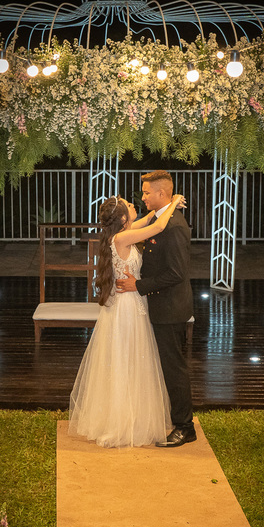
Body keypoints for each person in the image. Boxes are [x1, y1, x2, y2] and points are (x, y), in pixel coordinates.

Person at [67, 191, 184, 448]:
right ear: (122, 218)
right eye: (130, 205)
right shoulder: (122, 237)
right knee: (128, 359)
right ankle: (123, 423)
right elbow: (159, 225)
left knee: (133, 359)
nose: (135, 205)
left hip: (132, 302)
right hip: (128, 308)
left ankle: (132, 416)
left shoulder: (121, 232)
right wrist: (174, 202)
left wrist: (163, 204)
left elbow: (149, 220)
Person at [115, 169, 196, 447]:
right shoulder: (163, 218)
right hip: (161, 306)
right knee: (167, 366)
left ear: (162, 193)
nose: (143, 197)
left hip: (170, 308)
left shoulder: (172, 226)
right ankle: (176, 419)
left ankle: (185, 427)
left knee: (174, 368)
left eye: (147, 192)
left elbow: (176, 273)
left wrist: (138, 285)